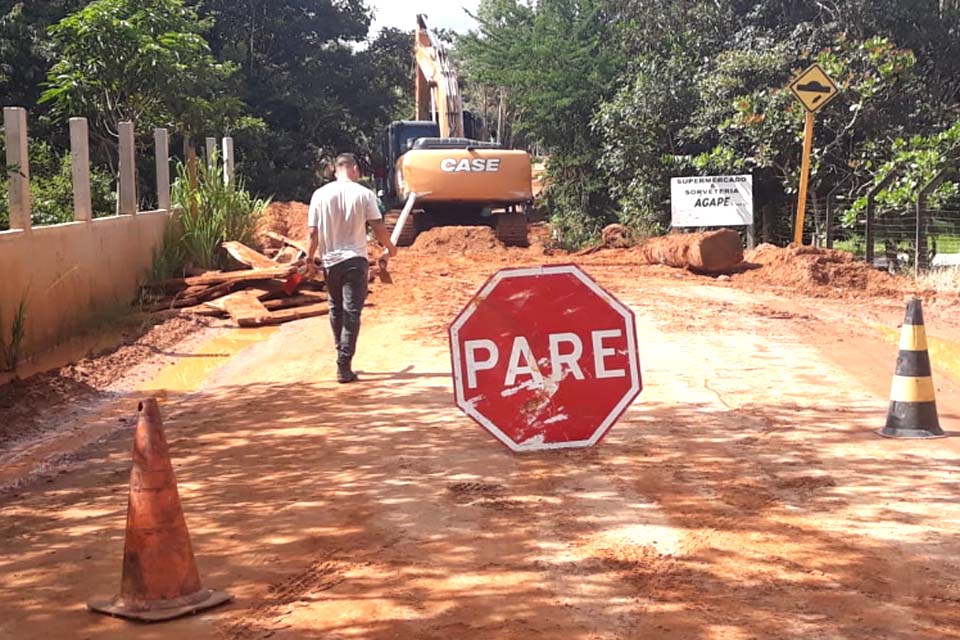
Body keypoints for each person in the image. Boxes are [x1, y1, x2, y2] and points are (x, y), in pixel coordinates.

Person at [304, 153, 397, 383]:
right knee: (352, 312)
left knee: (336, 309)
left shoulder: (319, 195)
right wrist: (390, 247)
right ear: (354, 169)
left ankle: (341, 353)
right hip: (355, 260)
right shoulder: (364, 194)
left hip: (330, 261)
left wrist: (309, 258)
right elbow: (378, 226)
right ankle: (344, 364)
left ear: (336, 170)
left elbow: (313, 233)